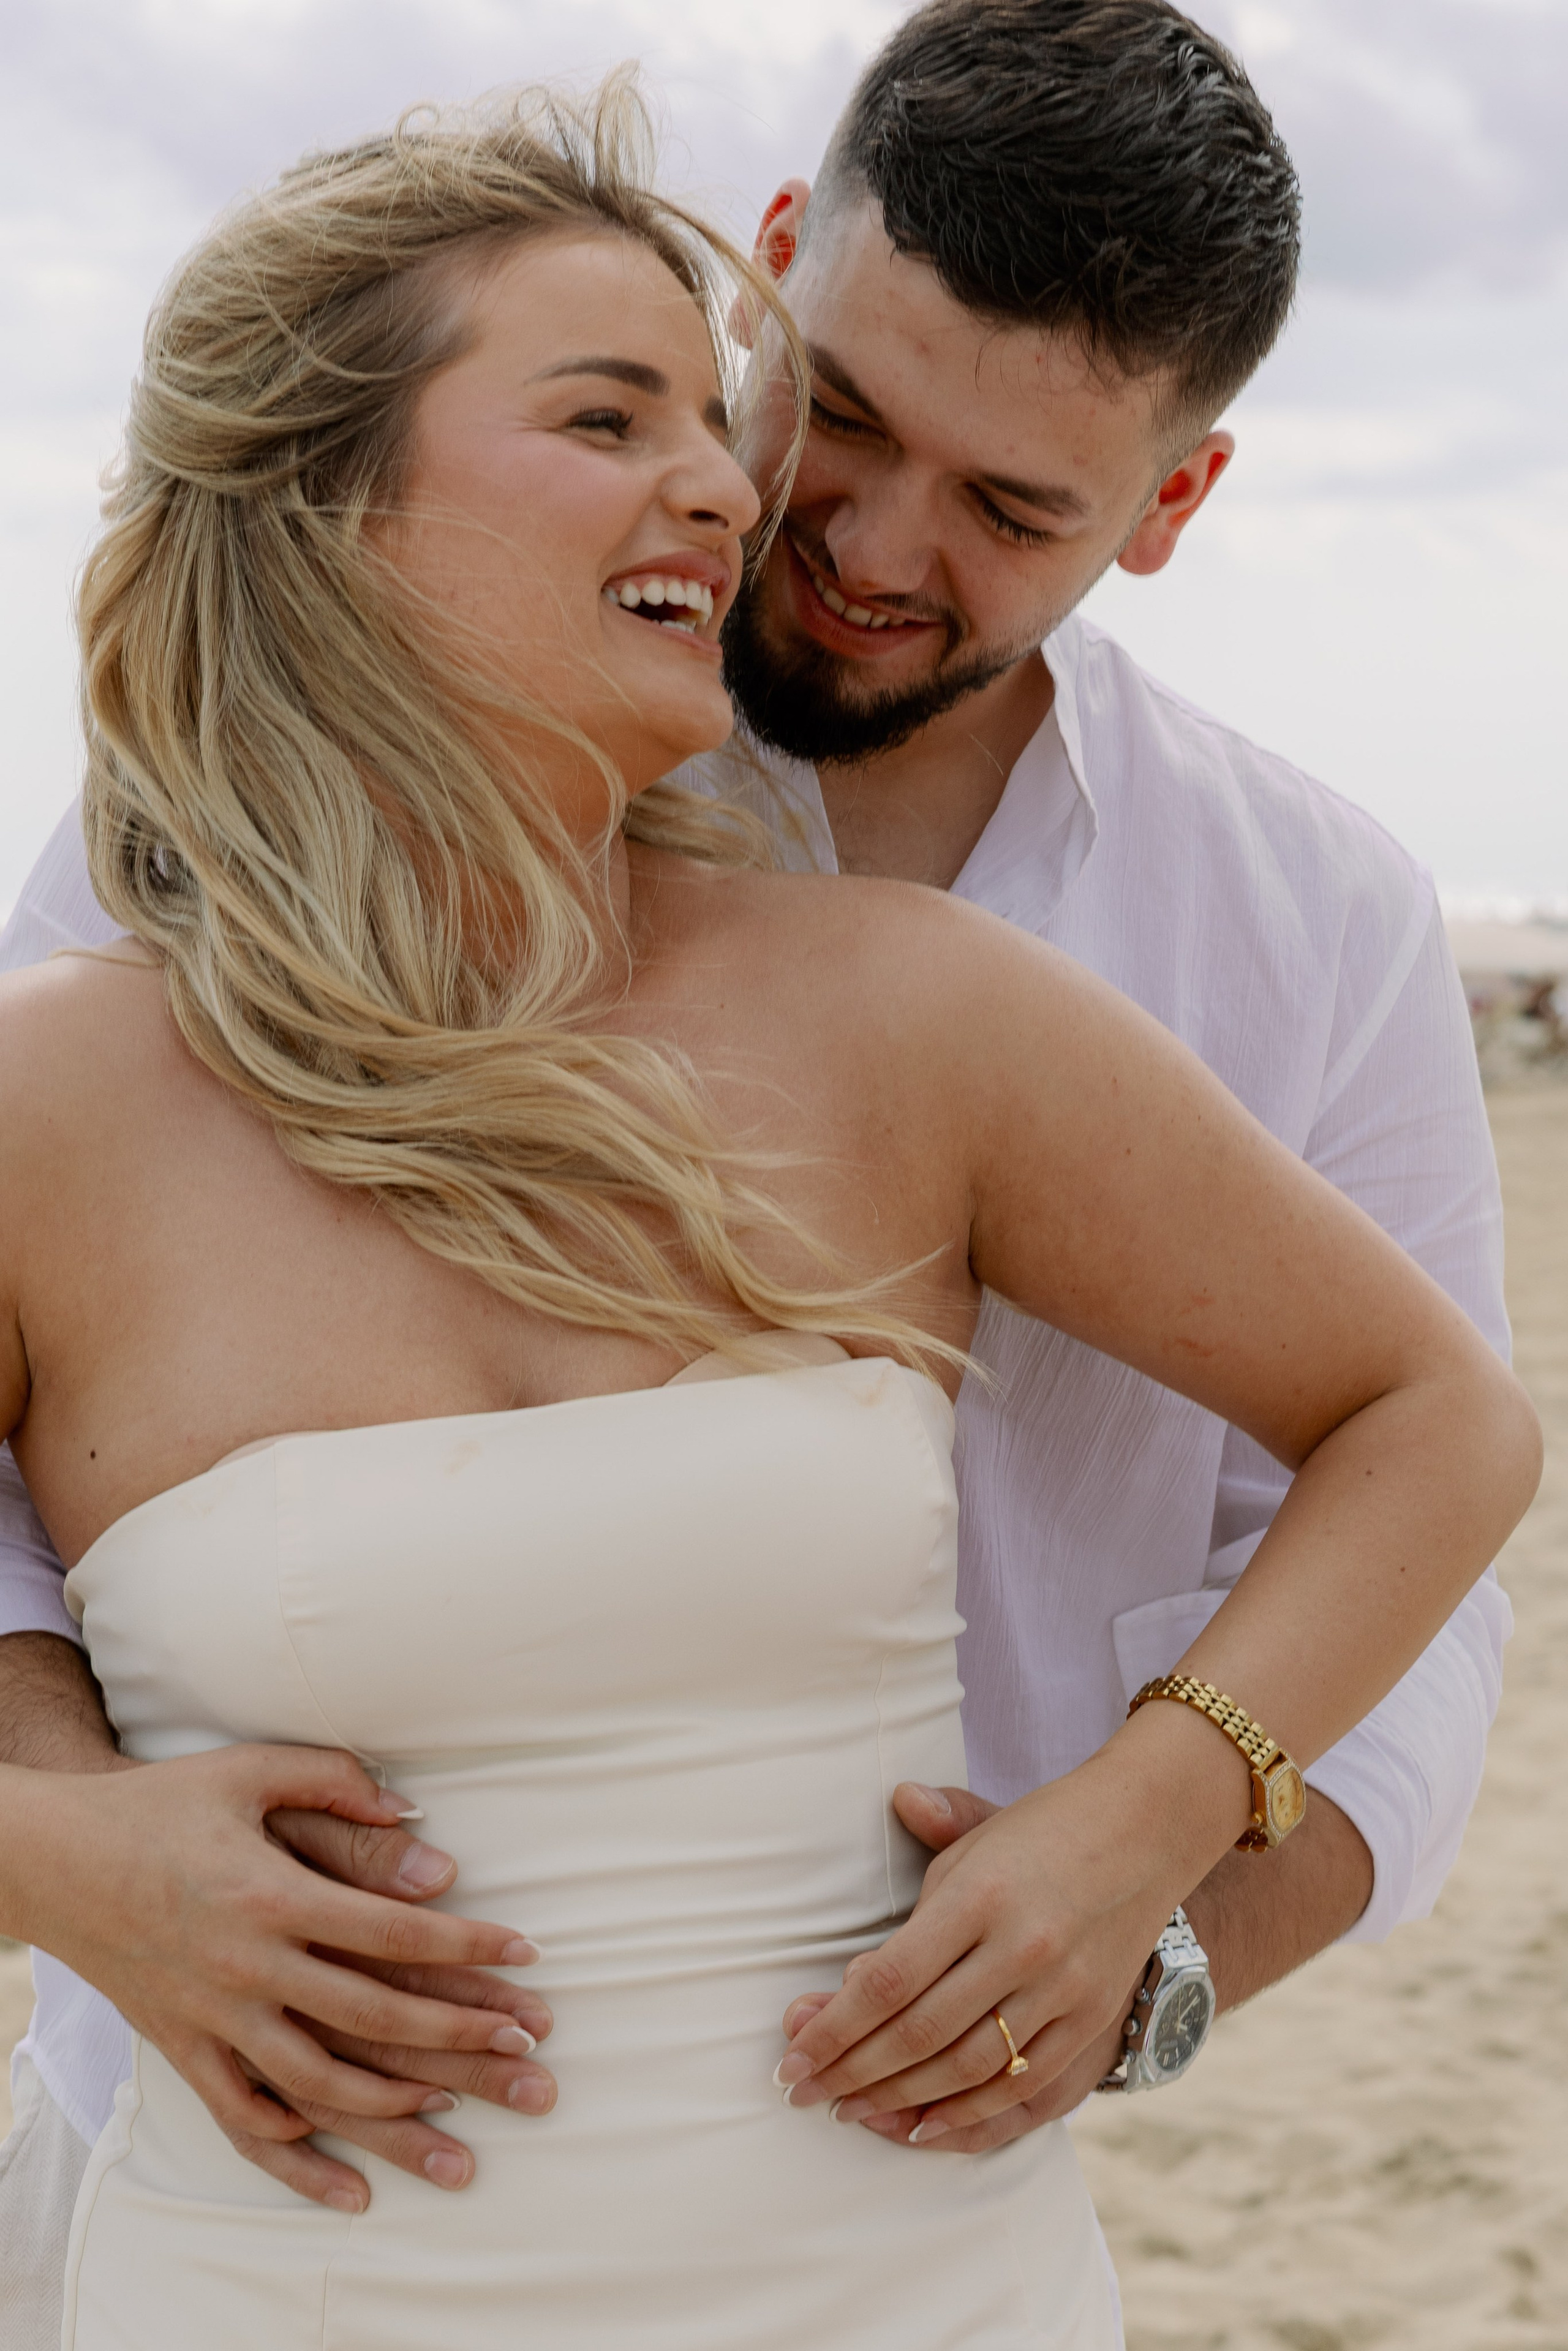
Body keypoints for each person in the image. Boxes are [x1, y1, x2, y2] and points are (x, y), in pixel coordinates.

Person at [0, 0, 1518, 2328]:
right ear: (781, 269)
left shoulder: (1266, 931)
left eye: (1016, 512)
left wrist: (1151, 1897)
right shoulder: (143, 918)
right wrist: (63, 1853)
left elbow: (1425, 1496)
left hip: (897, 2218)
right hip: (238, 2194)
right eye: (833, 414)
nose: (850, 539)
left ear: (1172, 508)